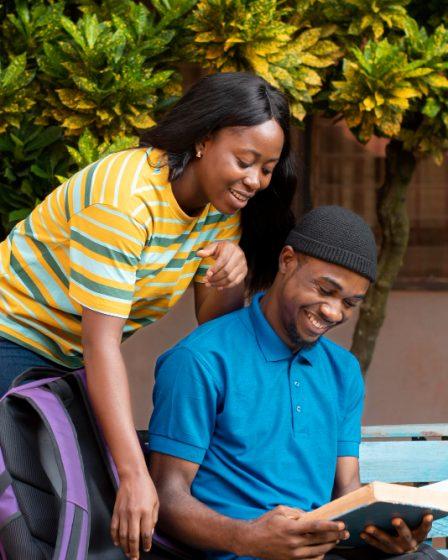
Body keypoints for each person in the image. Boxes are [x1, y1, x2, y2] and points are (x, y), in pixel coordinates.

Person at [0, 72, 297, 559]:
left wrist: (232, 271)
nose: (255, 181)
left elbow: (214, 324)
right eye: (245, 162)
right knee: (32, 506)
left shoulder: (220, 206)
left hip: (69, 360)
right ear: (202, 141)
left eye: (267, 169)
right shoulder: (124, 202)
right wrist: (135, 475)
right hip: (13, 336)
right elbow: (101, 343)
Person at [148, 206, 442, 560]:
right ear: (287, 260)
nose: (333, 312)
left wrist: (389, 535)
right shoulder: (201, 359)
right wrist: (247, 538)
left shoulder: (343, 371)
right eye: (325, 289)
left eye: (349, 303)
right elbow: (166, 495)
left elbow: (347, 488)